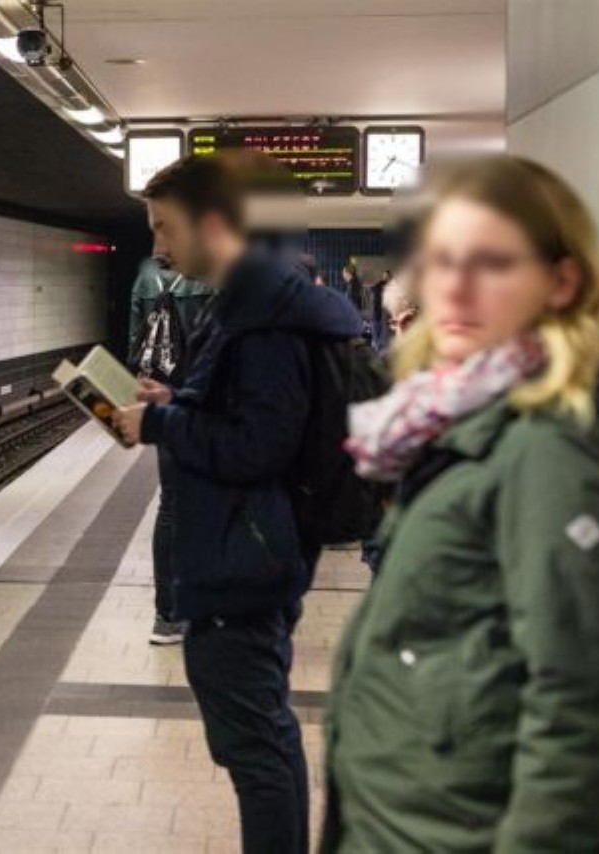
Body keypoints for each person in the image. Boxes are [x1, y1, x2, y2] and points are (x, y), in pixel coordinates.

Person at [325, 154, 599, 851]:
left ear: (562, 282)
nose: (456, 287)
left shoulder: (549, 452)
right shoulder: (463, 418)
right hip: (412, 823)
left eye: (493, 263)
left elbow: (582, 709)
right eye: (442, 261)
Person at [110, 153, 362, 854]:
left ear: (213, 223)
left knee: (258, 750)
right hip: (244, 548)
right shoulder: (252, 304)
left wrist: (160, 424)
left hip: (245, 556)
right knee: (259, 745)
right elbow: (249, 415)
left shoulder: (262, 318)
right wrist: (177, 399)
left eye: (165, 226)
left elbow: (259, 445)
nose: (158, 245)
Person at [127, 255, 213, 645]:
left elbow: (136, 346)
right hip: (204, 399)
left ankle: (167, 616)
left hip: (163, 398)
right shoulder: (210, 274)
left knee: (171, 504)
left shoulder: (146, 276)